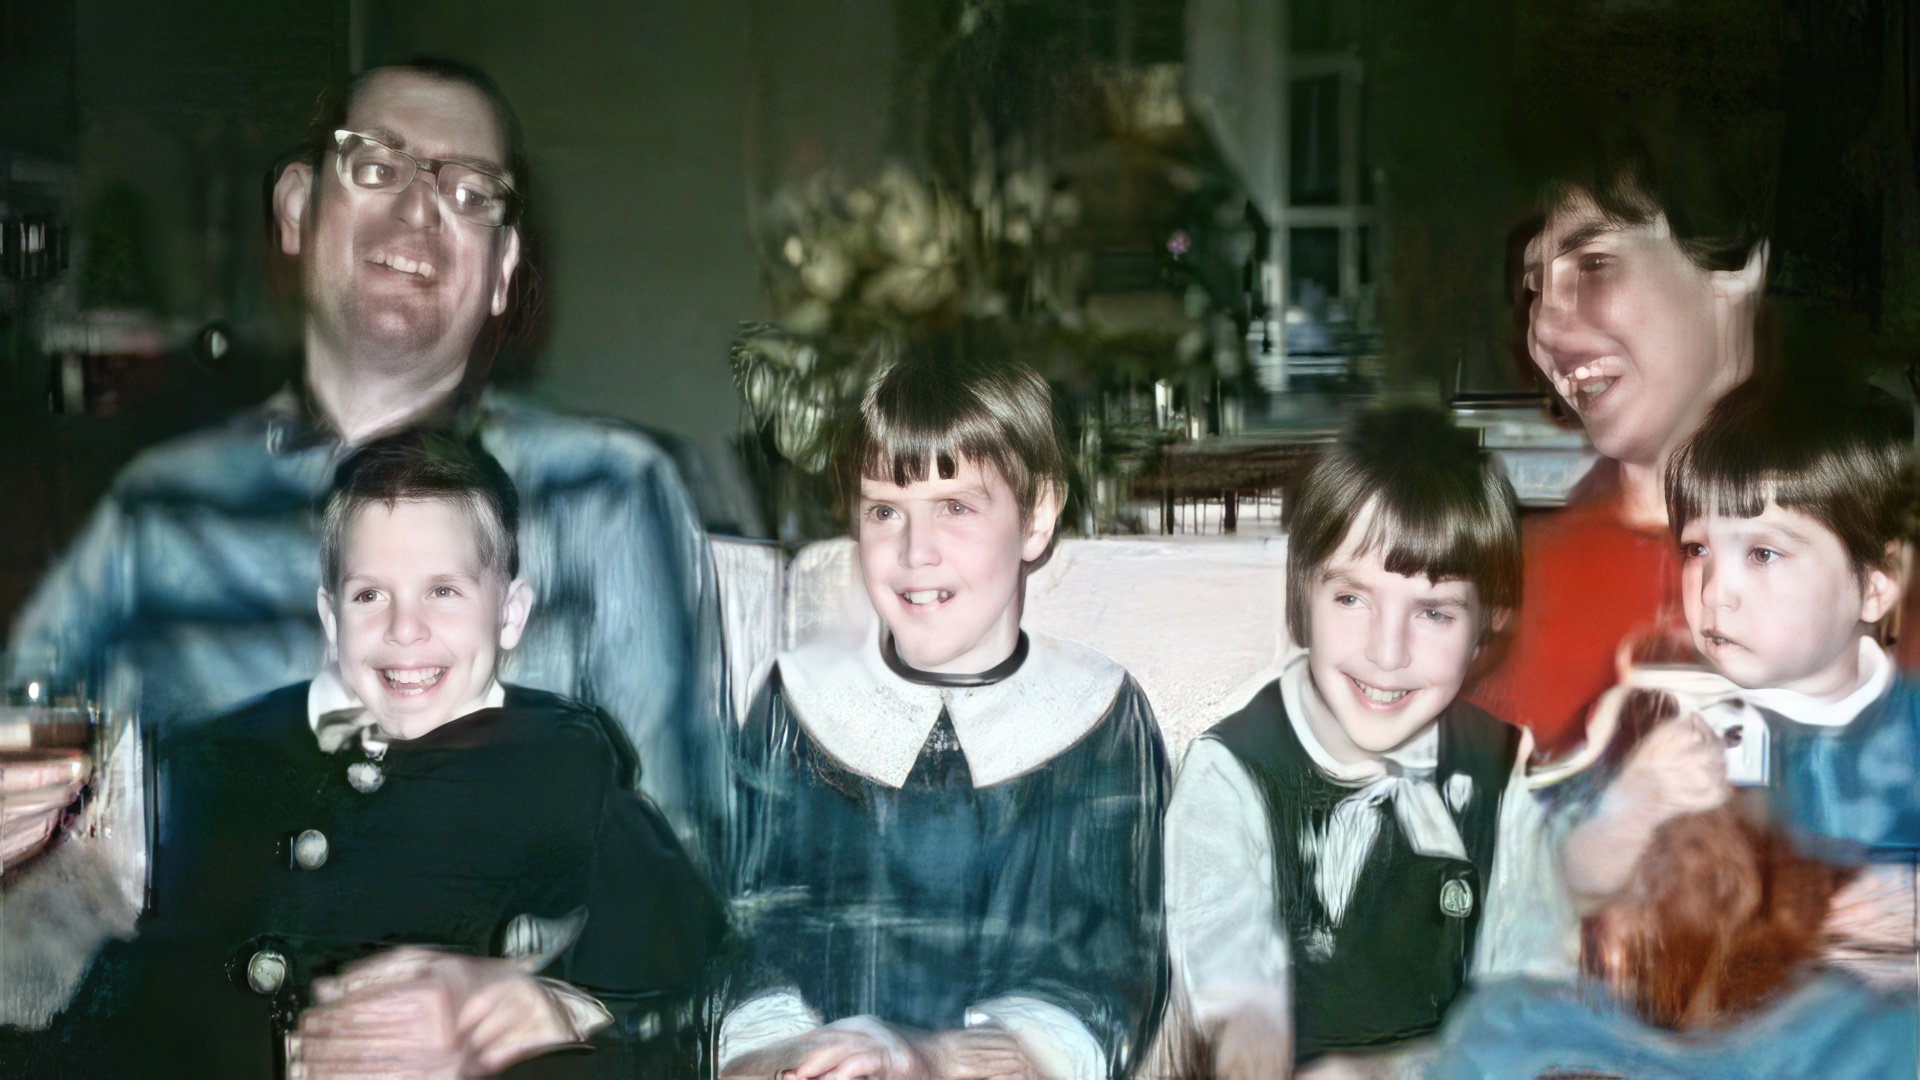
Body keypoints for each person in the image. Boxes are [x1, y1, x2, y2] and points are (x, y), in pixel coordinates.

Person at [1, 58, 727, 1027]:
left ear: (503, 267)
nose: (423, 210)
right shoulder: (162, 510)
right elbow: (40, 768)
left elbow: (704, 889)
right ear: (298, 212)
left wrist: (538, 1005)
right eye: (377, 166)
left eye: (468, 191)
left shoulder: (610, 495)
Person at [32, 429, 727, 1079]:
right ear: (331, 620)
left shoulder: (563, 758)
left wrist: (564, 1010)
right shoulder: (216, 752)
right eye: (370, 595)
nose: (404, 630)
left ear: (511, 614)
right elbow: (143, 971)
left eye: (443, 592)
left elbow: (686, 978)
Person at [720, 342, 1168, 1080]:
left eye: (955, 507)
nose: (914, 551)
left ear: (1037, 516)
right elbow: (742, 933)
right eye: (885, 511)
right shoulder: (796, 704)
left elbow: (1105, 970)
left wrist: (928, 1059)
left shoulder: (1100, 714)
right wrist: (783, 1053)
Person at [1164, 406, 1572, 1077]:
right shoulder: (1228, 772)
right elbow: (1231, 999)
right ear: (1303, 596)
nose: (1387, 653)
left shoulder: (1507, 773)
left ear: (1486, 622)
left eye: (1433, 612)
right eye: (1353, 600)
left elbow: (1524, 1009)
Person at [1556, 378, 1917, 989]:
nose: (1714, 590)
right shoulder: (1652, 713)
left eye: (1763, 554)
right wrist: (1632, 810)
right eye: (1698, 549)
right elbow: (1560, 884)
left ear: (1875, 584)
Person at [1469, 119, 1772, 753]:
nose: (1546, 328)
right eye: (1533, 290)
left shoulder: (1873, 556)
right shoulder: (1505, 590)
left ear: (1737, 267)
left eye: (1596, 264)